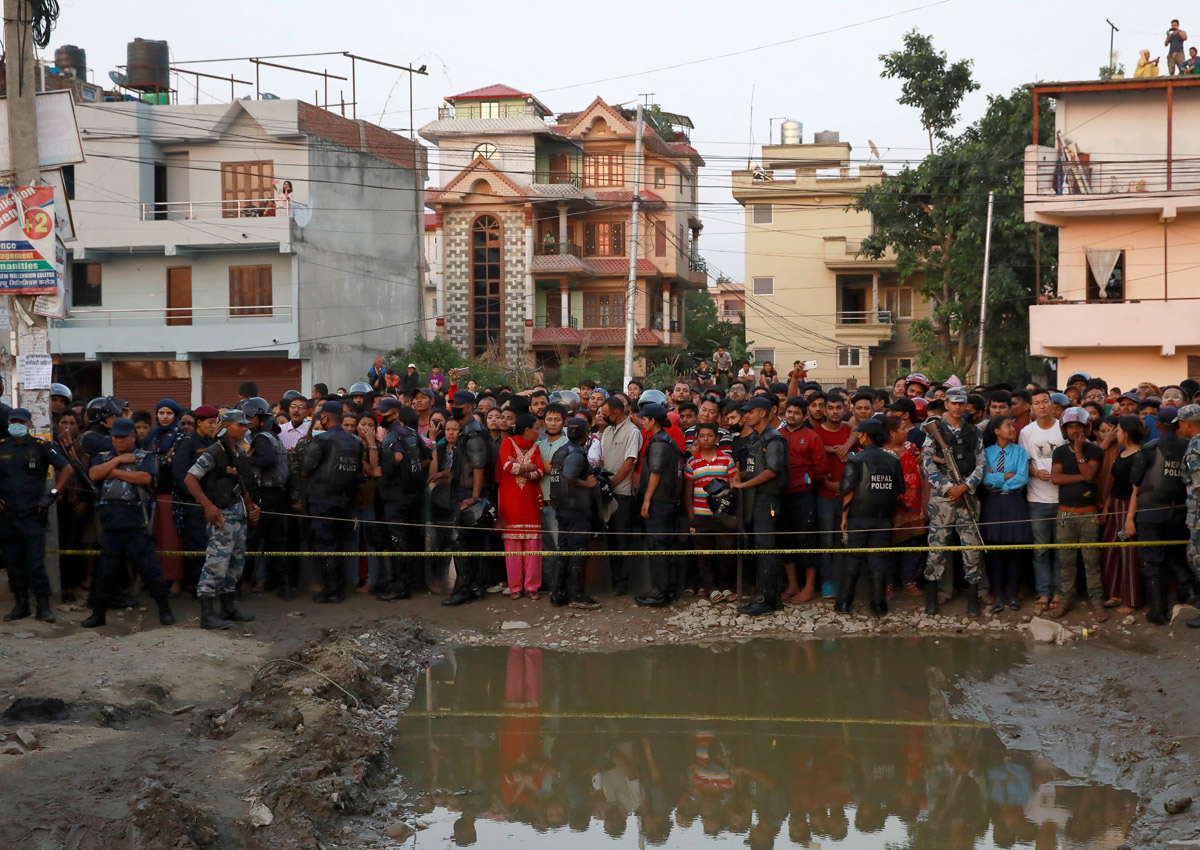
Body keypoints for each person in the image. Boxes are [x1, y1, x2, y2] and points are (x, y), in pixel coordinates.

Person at [81, 417, 174, 629]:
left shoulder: (144, 456)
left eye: (123, 437)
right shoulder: (103, 456)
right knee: (105, 573)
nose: (119, 441)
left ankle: (165, 610)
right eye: (115, 437)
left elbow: (145, 478)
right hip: (110, 523)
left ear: (133, 436)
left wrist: (112, 472)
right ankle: (98, 614)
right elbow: (94, 474)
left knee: (151, 571)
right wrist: (117, 462)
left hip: (136, 522)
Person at [184, 409, 259, 629]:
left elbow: (244, 484)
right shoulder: (214, 452)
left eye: (246, 425)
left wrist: (253, 507)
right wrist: (207, 505)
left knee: (235, 565)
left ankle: (228, 608)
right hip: (222, 515)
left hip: (239, 515)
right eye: (240, 425)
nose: (245, 428)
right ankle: (207, 614)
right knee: (216, 564)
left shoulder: (239, 452)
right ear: (227, 426)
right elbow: (190, 478)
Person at [0, 408, 73, 622]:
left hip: (33, 515)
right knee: (13, 564)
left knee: (35, 564)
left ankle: (43, 606)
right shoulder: (3, 447)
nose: (16, 424)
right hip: (7, 516)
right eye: (13, 421)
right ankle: (21, 605)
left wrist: (52, 494)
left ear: (30, 424)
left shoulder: (41, 447)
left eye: (21, 421)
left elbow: (66, 469)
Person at [922, 387, 985, 616]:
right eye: (953, 403)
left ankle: (972, 598)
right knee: (937, 548)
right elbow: (927, 464)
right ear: (946, 404)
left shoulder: (973, 432)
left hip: (966, 494)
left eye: (962, 403)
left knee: (972, 548)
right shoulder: (934, 430)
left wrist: (965, 486)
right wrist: (949, 488)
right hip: (942, 497)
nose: (958, 407)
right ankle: (932, 598)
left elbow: (981, 464)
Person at [1127, 407, 1190, 625]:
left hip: (1150, 515)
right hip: (1181, 514)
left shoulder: (1149, 449)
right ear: (1179, 424)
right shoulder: (1189, 447)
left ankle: (1159, 610)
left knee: (1152, 561)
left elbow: (1135, 479)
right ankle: (1187, 590)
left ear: (1157, 426)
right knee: (1175, 555)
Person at [837, 418, 905, 617]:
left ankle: (844, 604)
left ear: (865, 436)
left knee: (852, 560)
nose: (857, 436)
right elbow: (900, 489)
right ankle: (879, 605)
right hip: (883, 519)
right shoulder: (893, 460)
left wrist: (844, 517)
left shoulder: (856, 460)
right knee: (879, 561)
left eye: (859, 433)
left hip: (858, 518)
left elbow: (847, 490)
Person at [299, 400, 365, 605]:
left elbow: (305, 469)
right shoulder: (356, 441)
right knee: (339, 543)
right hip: (345, 500)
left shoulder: (322, 440)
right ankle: (338, 588)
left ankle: (331, 590)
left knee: (325, 545)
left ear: (325, 418)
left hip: (321, 499)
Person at [731, 396, 789, 616]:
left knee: (766, 548)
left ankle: (766, 599)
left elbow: (773, 470)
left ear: (762, 413)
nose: (746, 415)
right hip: (756, 497)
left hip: (767, 498)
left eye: (750, 411)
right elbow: (757, 468)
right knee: (763, 546)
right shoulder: (756, 437)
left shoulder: (773, 439)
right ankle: (771, 597)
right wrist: (739, 476)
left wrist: (744, 483)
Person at [1050, 407, 1106, 620]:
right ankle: (1066, 599)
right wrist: (1083, 477)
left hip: (1088, 513)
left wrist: (1080, 451)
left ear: (1086, 428)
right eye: (1070, 426)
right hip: (1064, 514)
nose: (1075, 430)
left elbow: (1091, 476)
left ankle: (1097, 601)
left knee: (1091, 561)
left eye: (1078, 426)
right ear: (1064, 430)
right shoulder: (1060, 452)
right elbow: (1056, 478)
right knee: (1066, 561)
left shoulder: (1094, 451)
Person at [443, 391, 496, 606]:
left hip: (469, 494)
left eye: (457, 404)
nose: (453, 406)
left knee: (461, 541)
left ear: (468, 407)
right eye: (452, 403)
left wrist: (474, 497)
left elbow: (478, 465)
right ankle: (473, 586)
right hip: (464, 492)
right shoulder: (468, 430)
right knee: (470, 542)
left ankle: (465, 588)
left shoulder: (473, 432)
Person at [239, 397, 293, 599]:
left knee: (252, 541)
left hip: (264, 495)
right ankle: (284, 587)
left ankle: (243, 585)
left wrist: (246, 459)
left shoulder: (261, 438)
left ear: (261, 417)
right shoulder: (272, 436)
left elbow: (268, 460)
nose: (247, 421)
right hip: (277, 494)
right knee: (277, 542)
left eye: (250, 417)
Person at [375, 399, 428, 601]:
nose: (380, 416)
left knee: (398, 540)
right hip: (412, 495)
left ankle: (401, 586)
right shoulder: (413, 433)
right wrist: (410, 474)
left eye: (384, 412)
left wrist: (384, 472)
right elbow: (425, 458)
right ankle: (409, 582)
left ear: (395, 414)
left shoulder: (392, 435)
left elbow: (397, 457)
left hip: (396, 497)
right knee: (408, 539)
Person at [1019, 389, 1067, 615]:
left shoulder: (1063, 428)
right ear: (1031, 407)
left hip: (1062, 499)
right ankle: (1044, 591)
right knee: (1040, 550)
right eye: (1036, 403)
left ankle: (1059, 592)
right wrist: (1036, 473)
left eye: (1045, 401)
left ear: (1051, 404)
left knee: (1060, 548)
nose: (1041, 406)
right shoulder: (1027, 432)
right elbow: (1024, 462)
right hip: (1036, 499)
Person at [779, 395, 828, 603]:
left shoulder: (811, 436)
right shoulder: (777, 434)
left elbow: (821, 469)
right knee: (784, 539)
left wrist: (805, 480)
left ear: (804, 415)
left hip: (804, 495)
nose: (792, 415)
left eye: (797, 412)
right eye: (789, 411)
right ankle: (792, 584)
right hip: (780, 496)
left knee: (807, 540)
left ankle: (808, 587)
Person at [548, 417, 600, 609]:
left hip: (562, 509)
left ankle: (559, 593)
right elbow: (569, 476)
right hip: (576, 510)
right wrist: (587, 483)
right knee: (577, 551)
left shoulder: (560, 451)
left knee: (563, 550)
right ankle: (576, 595)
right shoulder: (576, 453)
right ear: (586, 434)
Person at [980, 416, 1030, 613]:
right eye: (1007, 426)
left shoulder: (1020, 451)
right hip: (994, 503)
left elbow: (1023, 477)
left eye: (1012, 426)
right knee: (995, 551)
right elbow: (984, 478)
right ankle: (999, 594)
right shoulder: (986, 453)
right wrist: (1006, 476)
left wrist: (999, 479)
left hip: (1014, 501)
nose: (1012, 429)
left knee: (1014, 550)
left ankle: (1013, 593)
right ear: (996, 431)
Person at [635, 403, 683, 607]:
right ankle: (667, 590)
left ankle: (659, 592)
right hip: (668, 501)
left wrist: (646, 500)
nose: (642, 422)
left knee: (658, 546)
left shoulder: (659, 443)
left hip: (659, 502)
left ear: (653, 421)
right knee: (663, 545)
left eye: (644, 419)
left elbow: (655, 472)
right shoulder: (666, 441)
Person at [685, 422, 738, 603]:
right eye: (702, 436)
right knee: (704, 554)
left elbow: (734, 487)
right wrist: (692, 516)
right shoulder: (692, 462)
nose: (706, 439)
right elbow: (688, 491)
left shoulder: (727, 460)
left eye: (709, 436)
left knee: (726, 552)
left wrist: (734, 514)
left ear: (717, 439)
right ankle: (710, 587)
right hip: (700, 516)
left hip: (724, 516)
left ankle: (726, 586)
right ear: (697, 439)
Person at [497, 414, 545, 599]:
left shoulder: (536, 448)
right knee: (512, 545)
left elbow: (539, 472)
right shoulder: (507, 442)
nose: (539, 432)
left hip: (529, 501)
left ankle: (532, 587)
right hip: (511, 501)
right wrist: (529, 467)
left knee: (533, 544)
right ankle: (515, 587)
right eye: (537, 428)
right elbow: (508, 466)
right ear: (527, 430)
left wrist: (525, 468)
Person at [1101, 415, 1145, 613]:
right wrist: (1107, 507)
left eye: (1118, 430)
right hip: (1116, 507)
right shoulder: (1121, 453)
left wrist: (1129, 518)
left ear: (1126, 433)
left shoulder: (1140, 456)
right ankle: (1115, 592)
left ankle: (1132, 599)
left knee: (1127, 549)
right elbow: (1115, 484)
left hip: (1128, 508)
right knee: (1111, 547)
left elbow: (1136, 489)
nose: (1116, 433)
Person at [598, 396, 642, 596]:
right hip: (606, 496)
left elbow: (629, 463)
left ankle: (623, 583)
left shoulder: (633, 432)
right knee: (611, 541)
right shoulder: (606, 431)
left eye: (605, 414)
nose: (603, 417)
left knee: (623, 541)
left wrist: (611, 484)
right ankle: (613, 579)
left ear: (616, 413)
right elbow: (601, 459)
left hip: (622, 495)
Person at [1176, 406, 1200, 627]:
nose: (1178, 427)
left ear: (1187, 423)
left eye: (1180, 423)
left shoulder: (1195, 448)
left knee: (1198, 559)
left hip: (1199, 515)